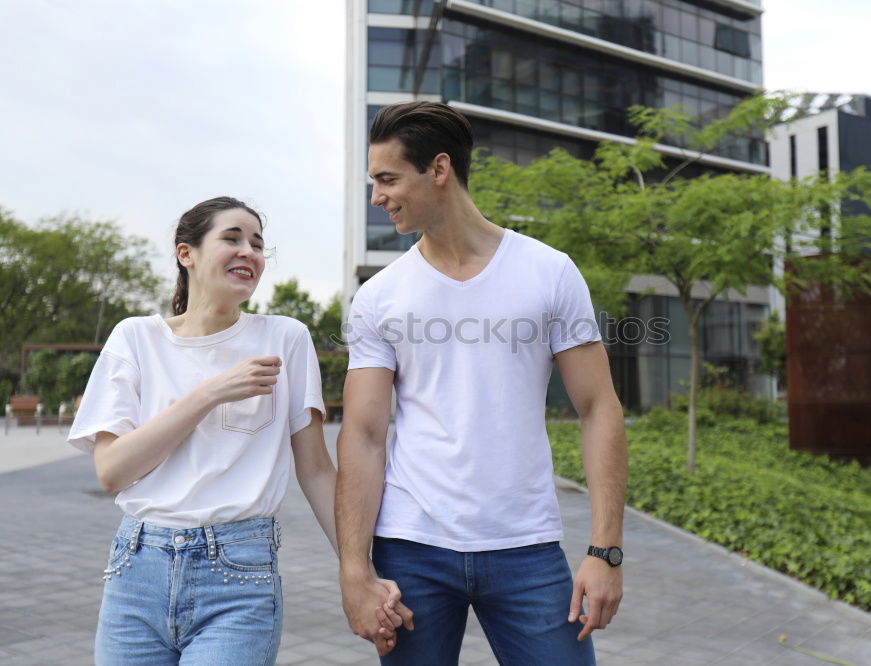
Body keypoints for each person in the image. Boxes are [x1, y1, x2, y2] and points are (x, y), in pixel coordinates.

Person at [336, 102, 628, 664]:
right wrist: (354, 570)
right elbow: (364, 434)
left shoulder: (549, 272)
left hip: (527, 546)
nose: (377, 197)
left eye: (388, 179)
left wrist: (606, 550)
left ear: (439, 170)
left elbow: (599, 409)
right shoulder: (379, 297)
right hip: (411, 548)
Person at [69, 197, 404, 665]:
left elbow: (315, 470)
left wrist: (360, 570)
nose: (249, 251)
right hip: (136, 570)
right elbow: (111, 470)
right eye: (232, 238)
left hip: (239, 575)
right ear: (187, 253)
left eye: (257, 244)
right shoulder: (136, 338)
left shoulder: (284, 338)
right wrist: (211, 393)